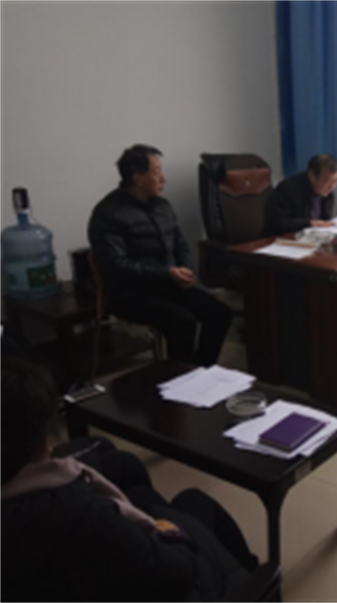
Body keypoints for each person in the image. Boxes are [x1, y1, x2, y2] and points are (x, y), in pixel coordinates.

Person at [0, 357, 257, 602]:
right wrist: (168, 530)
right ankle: (258, 585)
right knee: (194, 500)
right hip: (173, 582)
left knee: (134, 481)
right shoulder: (83, 513)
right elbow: (178, 574)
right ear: (40, 440)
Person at [88, 145, 232, 366]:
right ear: (137, 178)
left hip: (168, 284)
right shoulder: (108, 214)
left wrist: (186, 269)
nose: (164, 179)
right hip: (130, 293)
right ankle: (180, 377)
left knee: (220, 313)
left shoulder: (162, 206)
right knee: (182, 322)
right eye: (156, 172)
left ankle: (200, 370)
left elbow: (180, 244)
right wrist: (167, 272)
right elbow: (117, 265)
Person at [263, 153, 337, 236]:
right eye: (327, 180)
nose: (331, 186)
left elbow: (325, 221)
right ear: (312, 175)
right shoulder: (288, 188)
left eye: (335, 181)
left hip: (311, 238)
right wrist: (309, 223)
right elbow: (275, 223)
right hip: (282, 239)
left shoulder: (327, 192)